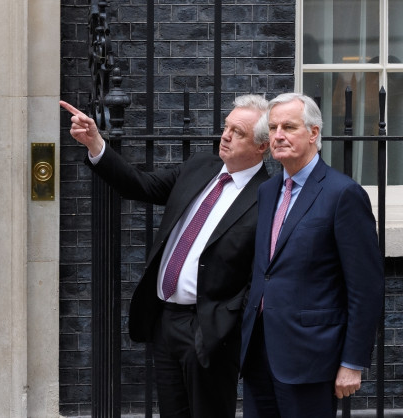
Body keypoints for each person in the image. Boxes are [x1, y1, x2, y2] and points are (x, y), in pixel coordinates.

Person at [60, 95, 270, 418]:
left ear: (262, 147)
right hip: (166, 322)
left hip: (209, 332)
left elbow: (260, 279)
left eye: (238, 132)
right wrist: (96, 144)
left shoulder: (266, 197)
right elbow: (140, 185)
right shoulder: (202, 167)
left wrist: (223, 329)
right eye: (226, 127)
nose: (225, 136)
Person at [239, 93, 384, 418]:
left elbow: (366, 287)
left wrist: (352, 362)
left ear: (314, 133)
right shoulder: (267, 190)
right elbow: (266, 270)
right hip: (259, 354)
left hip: (311, 359)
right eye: (273, 127)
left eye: (288, 127)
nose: (278, 135)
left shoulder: (343, 194)